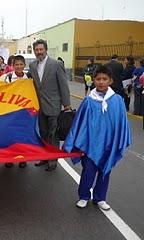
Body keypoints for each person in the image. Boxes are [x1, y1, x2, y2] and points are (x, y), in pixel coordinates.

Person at [64, 65, 131, 210]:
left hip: (109, 144)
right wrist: (73, 141)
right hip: (90, 144)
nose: (101, 82)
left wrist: (119, 139)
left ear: (110, 81)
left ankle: (100, 197)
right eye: (98, 79)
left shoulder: (117, 100)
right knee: (88, 171)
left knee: (105, 171)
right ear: (93, 81)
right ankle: (84, 196)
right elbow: (79, 123)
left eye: (104, 79)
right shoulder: (88, 101)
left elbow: (121, 122)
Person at [29, 39, 71, 171]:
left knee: (53, 134)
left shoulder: (57, 64)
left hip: (54, 105)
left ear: (46, 50)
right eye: (36, 50)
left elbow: (63, 85)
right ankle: (44, 157)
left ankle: (52, 162)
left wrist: (67, 104)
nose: (39, 52)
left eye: (41, 49)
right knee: (43, 132)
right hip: (39, 106)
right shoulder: (32, 66)